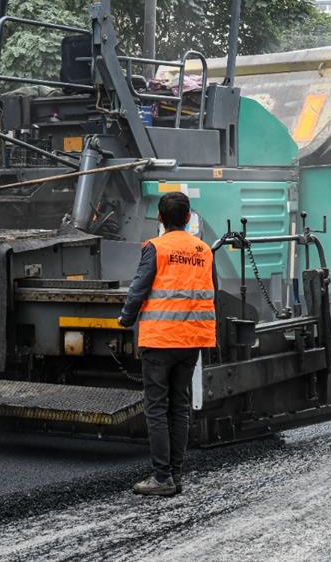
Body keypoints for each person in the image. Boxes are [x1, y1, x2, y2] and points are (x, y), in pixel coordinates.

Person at [118, 191, 218, 496]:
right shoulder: (204, 251)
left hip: (160, 339)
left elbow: (139, 288)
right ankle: (174, 474)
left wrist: (125, 318)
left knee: (157, 408)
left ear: (160, 218)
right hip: (192, 341)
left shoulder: (155, 248)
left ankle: (161, 478)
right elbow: (211, 292)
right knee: (180, 406)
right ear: (188, 218)